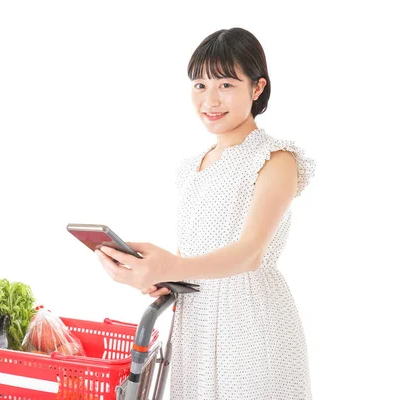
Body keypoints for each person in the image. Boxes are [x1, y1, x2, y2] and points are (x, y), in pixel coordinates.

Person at [95, 27, 316, 399]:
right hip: (194, 325)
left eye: (226, 84)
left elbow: (250, 253)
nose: (209, 99)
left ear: (257, 88)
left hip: (251, 322)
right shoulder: (191, 167)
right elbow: (196, 255)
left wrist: (171, 267)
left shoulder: (276, 159)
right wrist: (163, 275)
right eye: (199, 85)